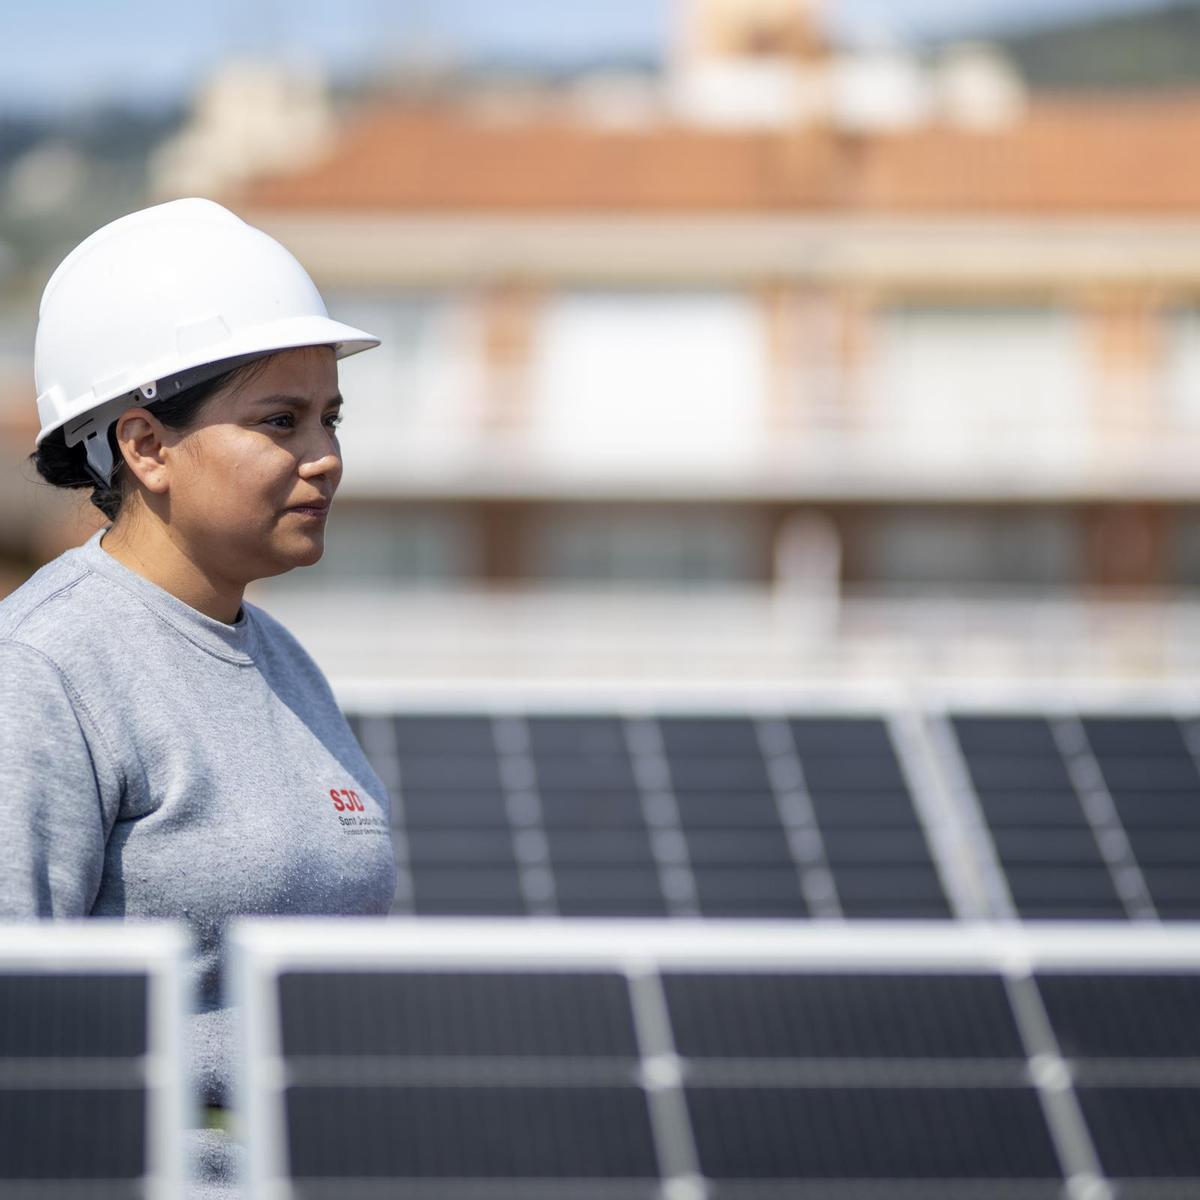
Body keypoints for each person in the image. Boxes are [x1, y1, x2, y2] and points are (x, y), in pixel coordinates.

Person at [0, 198, 398, 1190]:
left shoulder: (283, 659)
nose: (326, 457)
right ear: (145, 446)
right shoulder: (44, 672)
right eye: (279, 421)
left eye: (328, 416)